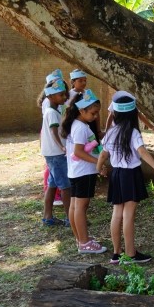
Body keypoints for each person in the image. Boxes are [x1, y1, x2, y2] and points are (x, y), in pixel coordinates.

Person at [97, 92, 154, 264]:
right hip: (130, 175)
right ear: (133, 114)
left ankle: (117, 253)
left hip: (116, 174)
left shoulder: (110, 132)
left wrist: (99, 168)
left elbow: (103, 154)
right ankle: (131, 254)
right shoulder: (133, 133)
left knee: (117, 212)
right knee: (128, 214)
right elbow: (142, 152)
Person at [60, 89, 107, 254]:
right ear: (81, 110)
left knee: (75, 206)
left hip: (77, 171)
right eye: (93, 113)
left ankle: (80, 239)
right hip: (83, 172)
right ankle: (84, 242)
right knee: (80, 207)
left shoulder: (77, 124)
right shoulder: (80, 127)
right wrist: (98, 163)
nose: (95, 116)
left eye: (97, 113)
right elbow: (78, 152)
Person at [40, 79, 71, 226]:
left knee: (52, 185)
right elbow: (53, 131)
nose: (64, 97)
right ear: (50, 96)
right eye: (61, 95)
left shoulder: (52, 111)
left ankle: (48, 217)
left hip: (51, 154)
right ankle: (70, 218)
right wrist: (61, 147)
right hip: (57, 154)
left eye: (65, 94)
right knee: (66, 186)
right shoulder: (52, 112)